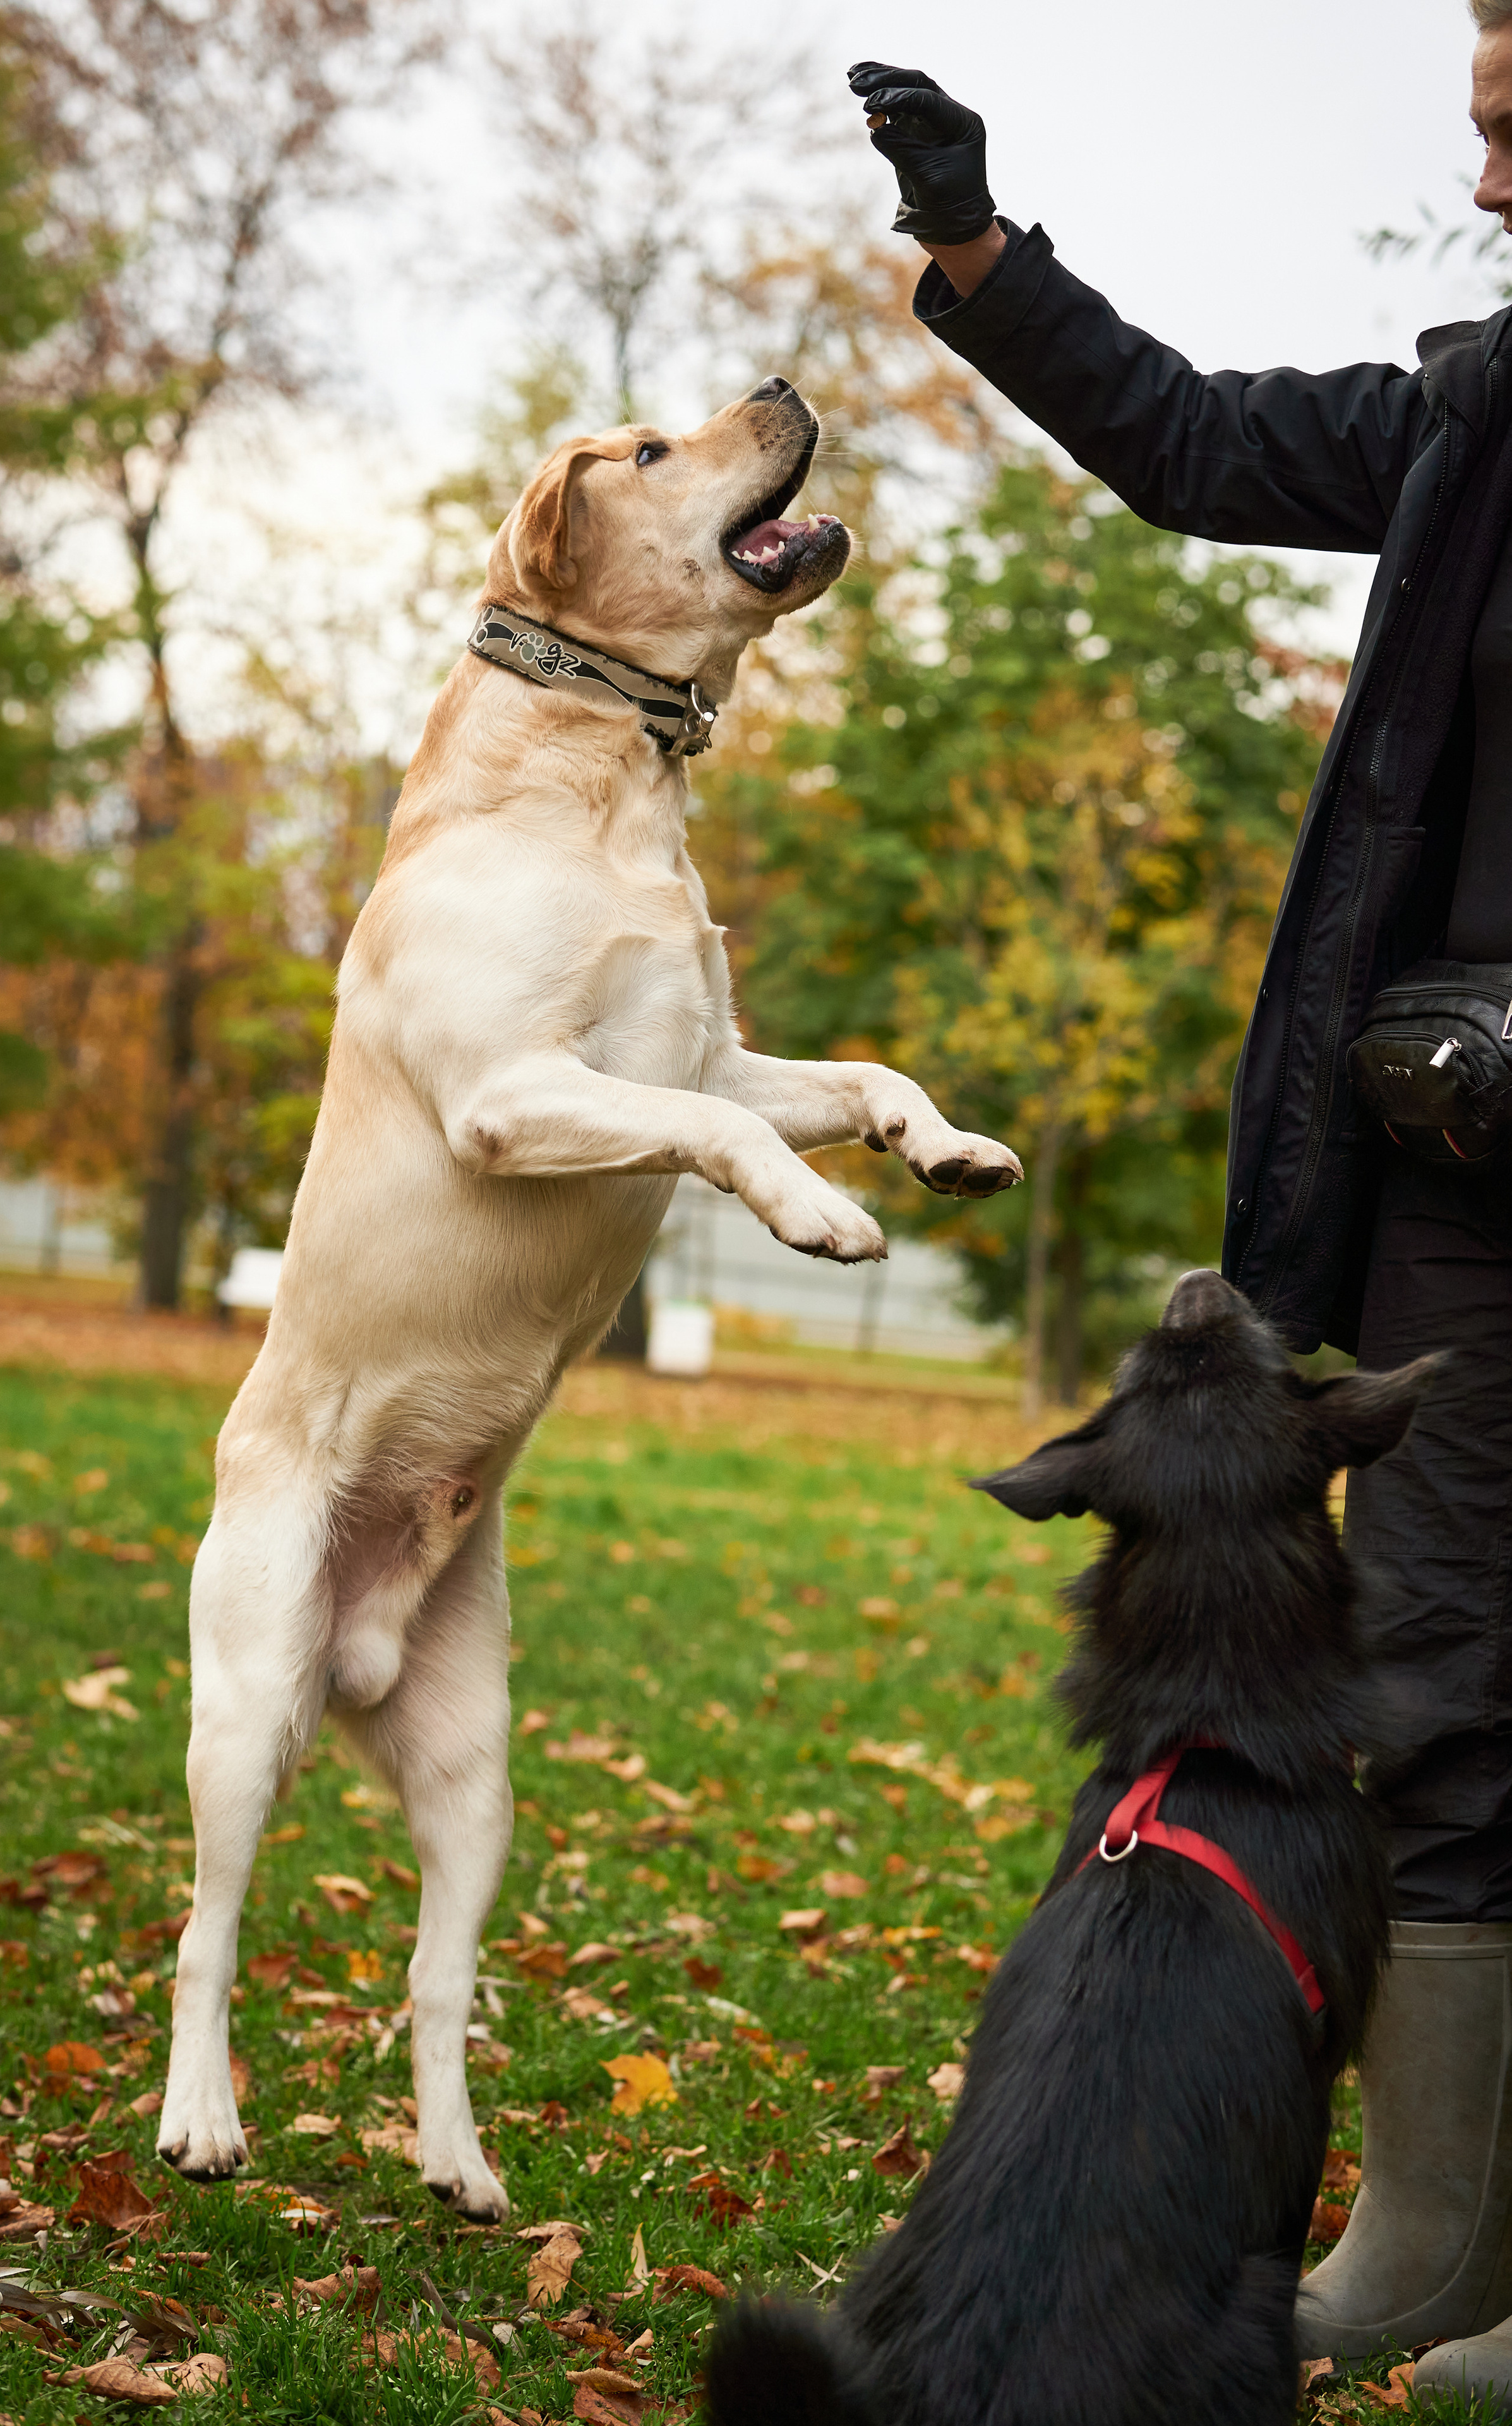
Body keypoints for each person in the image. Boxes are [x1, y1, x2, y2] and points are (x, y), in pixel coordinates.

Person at [846, 13, 1512, 2405]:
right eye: (1477, 120)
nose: (1491, 166)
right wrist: (977, 250)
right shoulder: (1474, 421)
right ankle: (1439, 2247)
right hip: (1468, 1172)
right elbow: (1207, 446)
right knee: (1437, 1679)